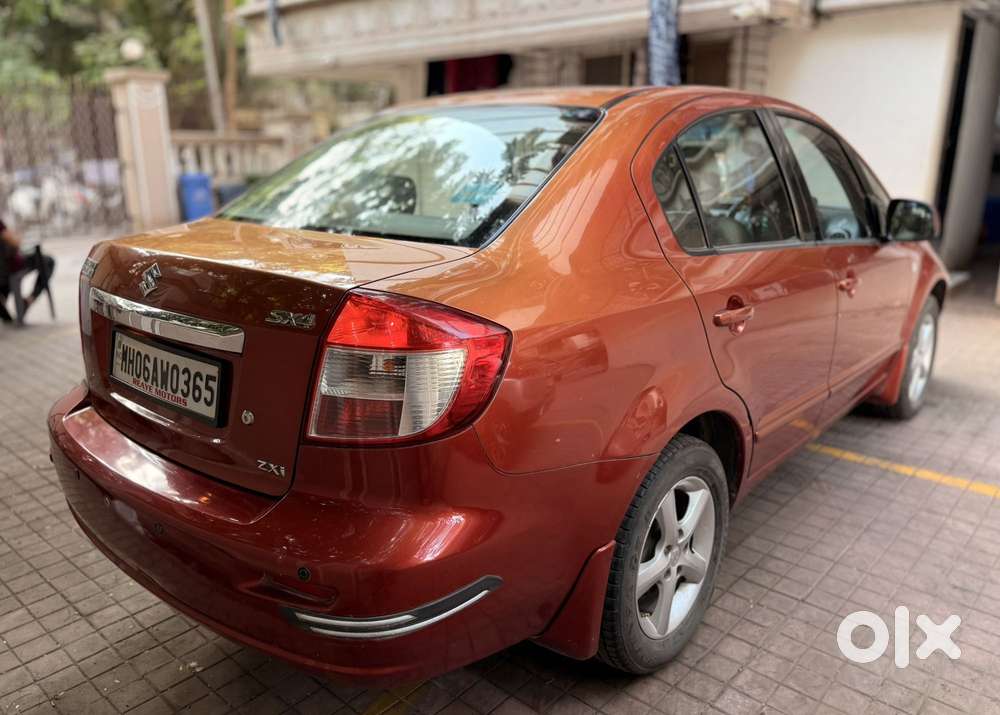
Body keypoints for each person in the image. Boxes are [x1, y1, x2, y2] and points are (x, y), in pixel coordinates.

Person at [0, 217, 55, 324]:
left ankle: (6, 314)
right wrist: (16, 237)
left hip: (3, 273)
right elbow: (15, 242)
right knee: (49, 261)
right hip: (13, 266)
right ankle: (30, 299)